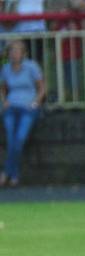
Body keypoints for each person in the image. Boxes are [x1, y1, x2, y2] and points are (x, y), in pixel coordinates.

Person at [0, 40, 45, 188]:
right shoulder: (6, 69)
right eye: (12, 51)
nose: (14, 54)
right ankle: (13, 175)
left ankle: (8, 172)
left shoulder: (32, 67)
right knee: (11, 138)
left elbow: (41, 88)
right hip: (11, 107)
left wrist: (36, 102)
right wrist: (4, 101)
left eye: (17, 51)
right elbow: (3, 88)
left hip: (28, 107)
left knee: (19, 138)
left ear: (23, 53)